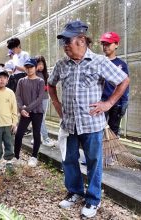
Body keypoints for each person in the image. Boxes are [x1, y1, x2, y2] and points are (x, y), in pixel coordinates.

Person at [48, 21, 129, 218]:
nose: (65, 45)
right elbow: (50, 85)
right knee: (69, 160)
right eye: (63, 42)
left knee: (93, 161)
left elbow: (123, 80)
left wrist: (108, 104)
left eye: (68, 41)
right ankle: (75, 192)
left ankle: (93, 199)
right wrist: (58, 106)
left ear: (82, 40)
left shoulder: (100, 62)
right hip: (69, 124)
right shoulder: (61, 64)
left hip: (92, 124)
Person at [14, 58, 45, 168]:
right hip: (24, 112)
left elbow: (40, 98)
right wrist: (21, 108)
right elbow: (18, 96)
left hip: (37, 112)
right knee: (18, 134)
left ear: (35, 67)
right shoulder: (21, 81)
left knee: (36, 134)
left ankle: (34, 157)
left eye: (31, 67)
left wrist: (26, 109)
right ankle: (16, 157)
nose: (29, 69)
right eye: (27, 67)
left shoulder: (40, 81)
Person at [100, 32, 129, 137]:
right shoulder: (99, 62)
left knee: (114, 128)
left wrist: (124, 102)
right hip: (102, 101)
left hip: (116, 102)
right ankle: (100, 150)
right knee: (99, 128)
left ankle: (113, 150)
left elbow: (125, 85)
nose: (105, 46)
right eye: (103, 44)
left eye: (108, 44)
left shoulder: (122, 64)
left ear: (116, 44)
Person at [30, 55, 56, 147]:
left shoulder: (45, 75)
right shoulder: (32, 74)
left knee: (40, 119)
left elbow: (49, 86)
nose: (40, 66)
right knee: (37, 118)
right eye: (38, 64)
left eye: (42, 64)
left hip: (44, 98)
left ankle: (41, 137)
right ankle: (44, 138)